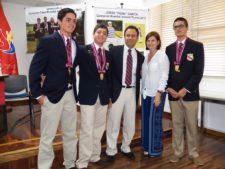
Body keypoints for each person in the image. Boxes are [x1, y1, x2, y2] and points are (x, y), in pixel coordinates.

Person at [29, 8, 78, 169]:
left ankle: (70, 163)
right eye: (68, 20)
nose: (71, 23)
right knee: (47, 137)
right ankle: (44, 166)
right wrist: (38, 95)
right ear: (59, 21)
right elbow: (34, 70)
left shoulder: (75, 43)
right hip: (51, 96)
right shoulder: (48, 41)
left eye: (74, 20)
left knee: (71, 134)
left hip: (70, 95)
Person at [166, 17, 204, 166]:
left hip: (190, 94)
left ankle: (194, 153)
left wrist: (185, 89)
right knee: (176, 125)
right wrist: (169, 88)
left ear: (186, 28)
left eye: (181, 26)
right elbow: (167, 71)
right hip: (173, 94)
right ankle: (177, 152)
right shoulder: (169, 49)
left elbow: (198, 72)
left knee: (191, 125)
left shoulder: (197, 46)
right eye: (175, 27)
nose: (178, 29)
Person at [106, 25, 144, 161]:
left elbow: (141, 76)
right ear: (124, 36)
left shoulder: (140, 56)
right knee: (113, 122)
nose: (130, 38)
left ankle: (126, 147)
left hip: (132, 92)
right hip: (117, 91)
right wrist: (109, 95)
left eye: (133, 35)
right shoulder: (114, 51)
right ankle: (111, 150)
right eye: (128, 35)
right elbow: (108, 74)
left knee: (130, 122)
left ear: (138, 38)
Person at [75, 24, 111, 169]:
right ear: (93, 34)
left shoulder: (108, 54)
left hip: (102, 97)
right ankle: (83, 161)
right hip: (87, 95)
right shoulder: (83, 50)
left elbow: (108, 77)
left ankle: (95, 156)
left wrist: (108, 96)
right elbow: (72, 66)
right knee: (87, 129)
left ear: (107, 36)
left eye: (104, 33)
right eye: (99, 32)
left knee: (99, 128)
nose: (101, 35)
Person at [141, 31, 169, 157]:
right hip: (146, 93)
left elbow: (164, 76)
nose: (150, 43)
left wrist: (158, 94)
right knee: (146, 122)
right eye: (148, 40)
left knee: (155, 122)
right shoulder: (146, 55)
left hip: (156, 94)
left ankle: (155, 149)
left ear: (158, 42)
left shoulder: (162, 56)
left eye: (153, 40)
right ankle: (146, 146)